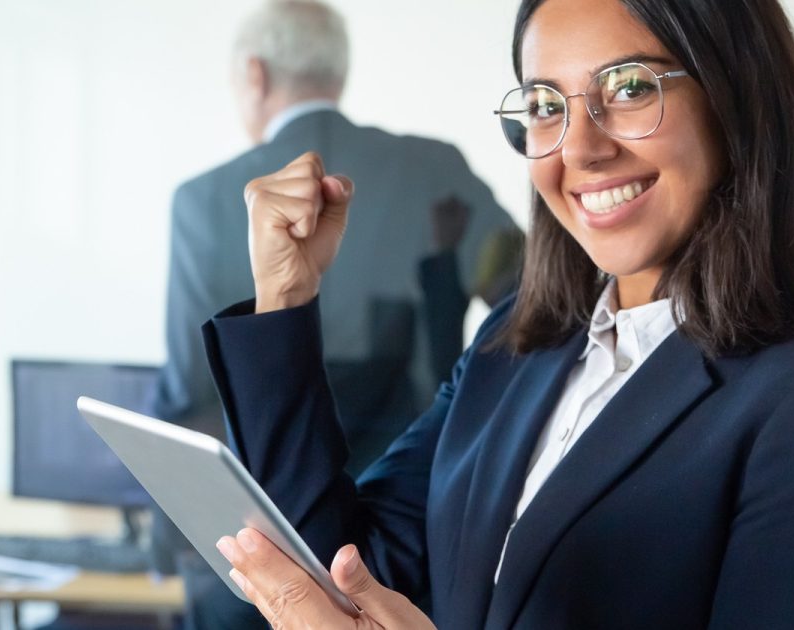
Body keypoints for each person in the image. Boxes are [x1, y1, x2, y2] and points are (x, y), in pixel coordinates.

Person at [206, 0, 794, 627]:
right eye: (547, 104)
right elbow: (334, 570)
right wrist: (285, 297)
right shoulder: (513, 346)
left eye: (632, 88)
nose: (579, 147)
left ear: (736, 98)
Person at [153, 0, 522, 475]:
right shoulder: (436, 168)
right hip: (421, 489)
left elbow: (189, 388)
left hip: (264, 499)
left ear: (255, 74)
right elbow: (536, 301)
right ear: (338, 74)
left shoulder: (200, 201)